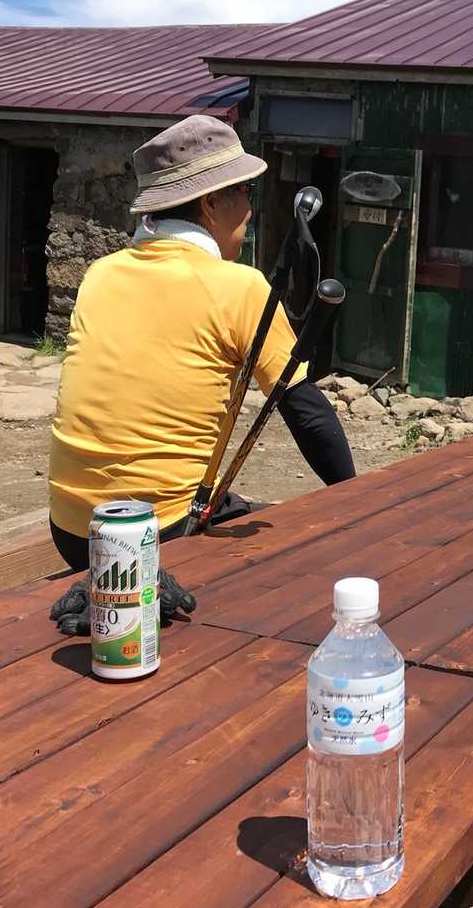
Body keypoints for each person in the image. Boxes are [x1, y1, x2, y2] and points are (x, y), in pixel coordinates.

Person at [46, 115, 355, 576]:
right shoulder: (240, 287)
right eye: (245, 192)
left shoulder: (101, 274)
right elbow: (305, 412)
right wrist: (359, 500)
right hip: (158, 533)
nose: (250, 209)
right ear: (211, 203)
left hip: (71, 529)